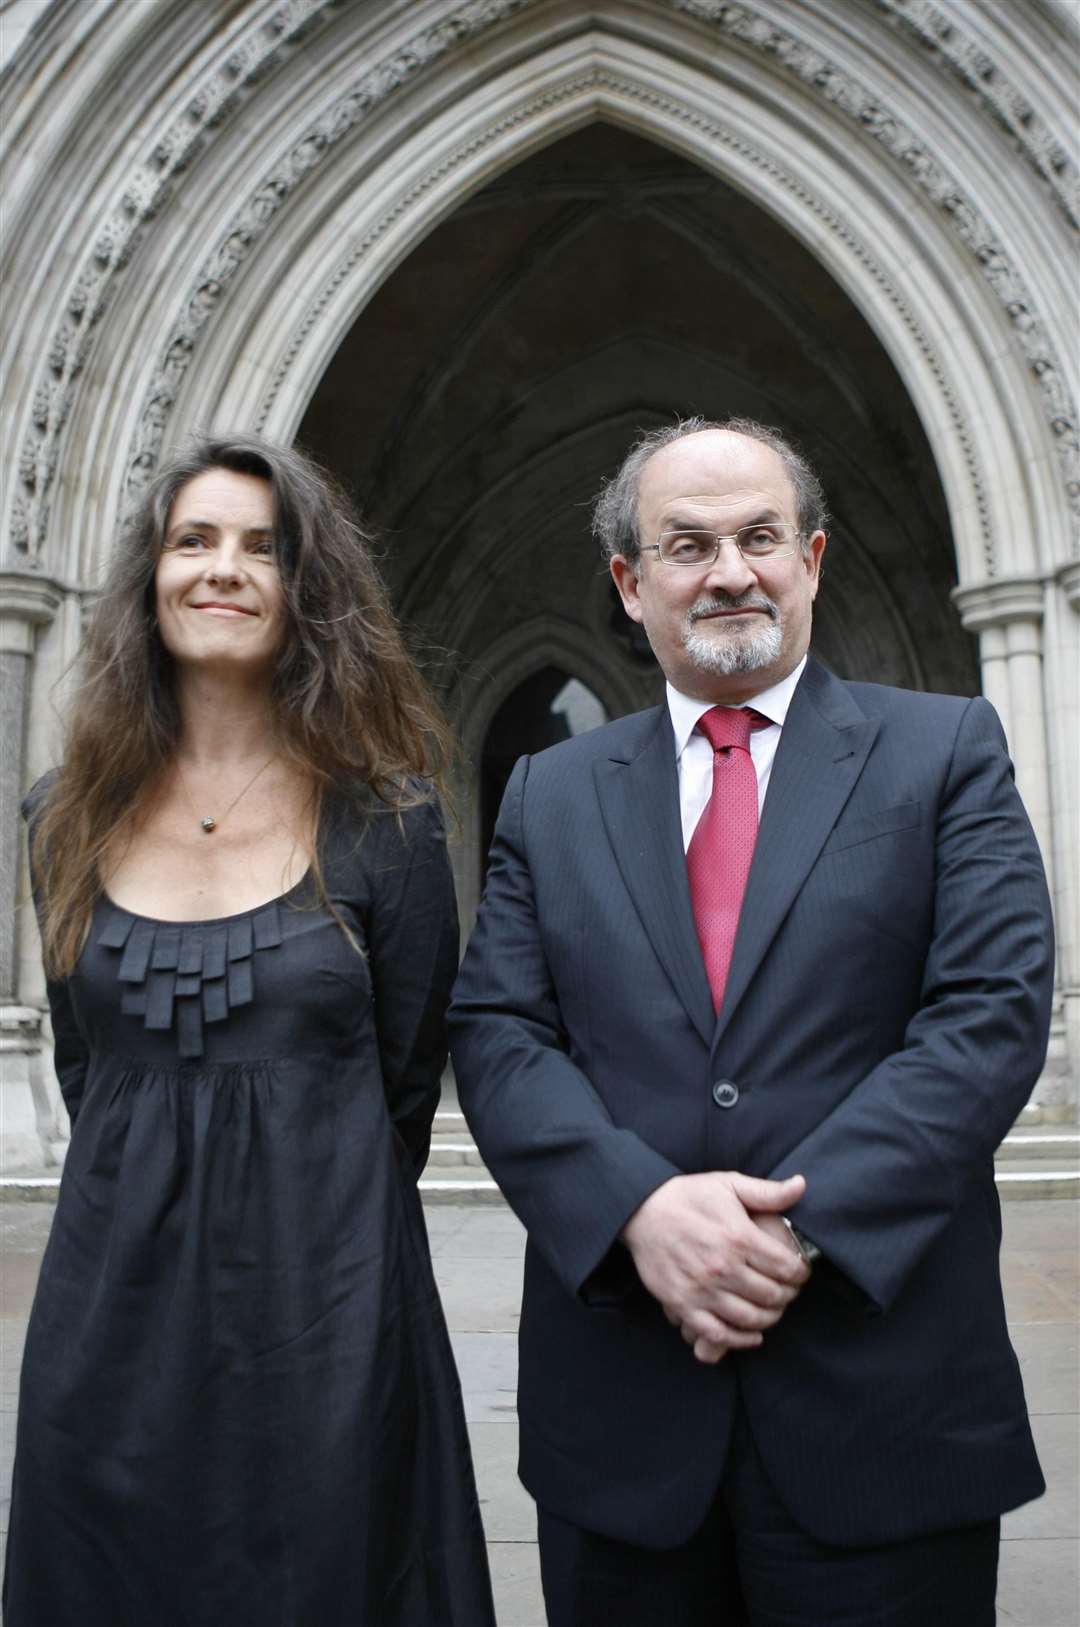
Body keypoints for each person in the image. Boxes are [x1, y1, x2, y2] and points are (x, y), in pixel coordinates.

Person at [448, 417, 1054, 1627]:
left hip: (883, 1408)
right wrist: (639, 1209)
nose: (731, 569)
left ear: (812, 558)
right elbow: (502, 1032)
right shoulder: (549, 791)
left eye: (760, 536)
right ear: (631, 584)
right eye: (687, 544)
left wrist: (798, 1228)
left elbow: (987, 1016)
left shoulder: (944, 754)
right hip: (624, 1420)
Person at [7, 434, 496, 1626]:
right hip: (112, 1316)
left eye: (260, 548)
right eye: (193, 540)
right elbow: (90, 1066)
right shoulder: (61, 819)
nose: (222, 569)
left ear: (303, 590)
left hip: (329, 1310)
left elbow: (403, 1082)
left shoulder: (390, 821)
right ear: (151, 577)